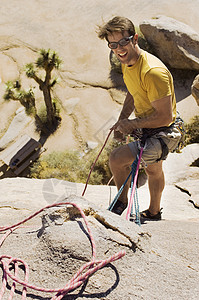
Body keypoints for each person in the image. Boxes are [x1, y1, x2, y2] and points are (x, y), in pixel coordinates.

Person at [97, 16, 182, 220]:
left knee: (117, 159)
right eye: (113, 45)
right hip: (151, 128)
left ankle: (121, 202)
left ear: (134, 38)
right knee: (153, 171)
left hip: (165, 131)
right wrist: (122, 121)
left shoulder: (153, 72)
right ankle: (154, 212)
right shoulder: (128, 63)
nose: (119, 49)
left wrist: (132, 124)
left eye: (124, 42)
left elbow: (164, 116)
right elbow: (133, 93)